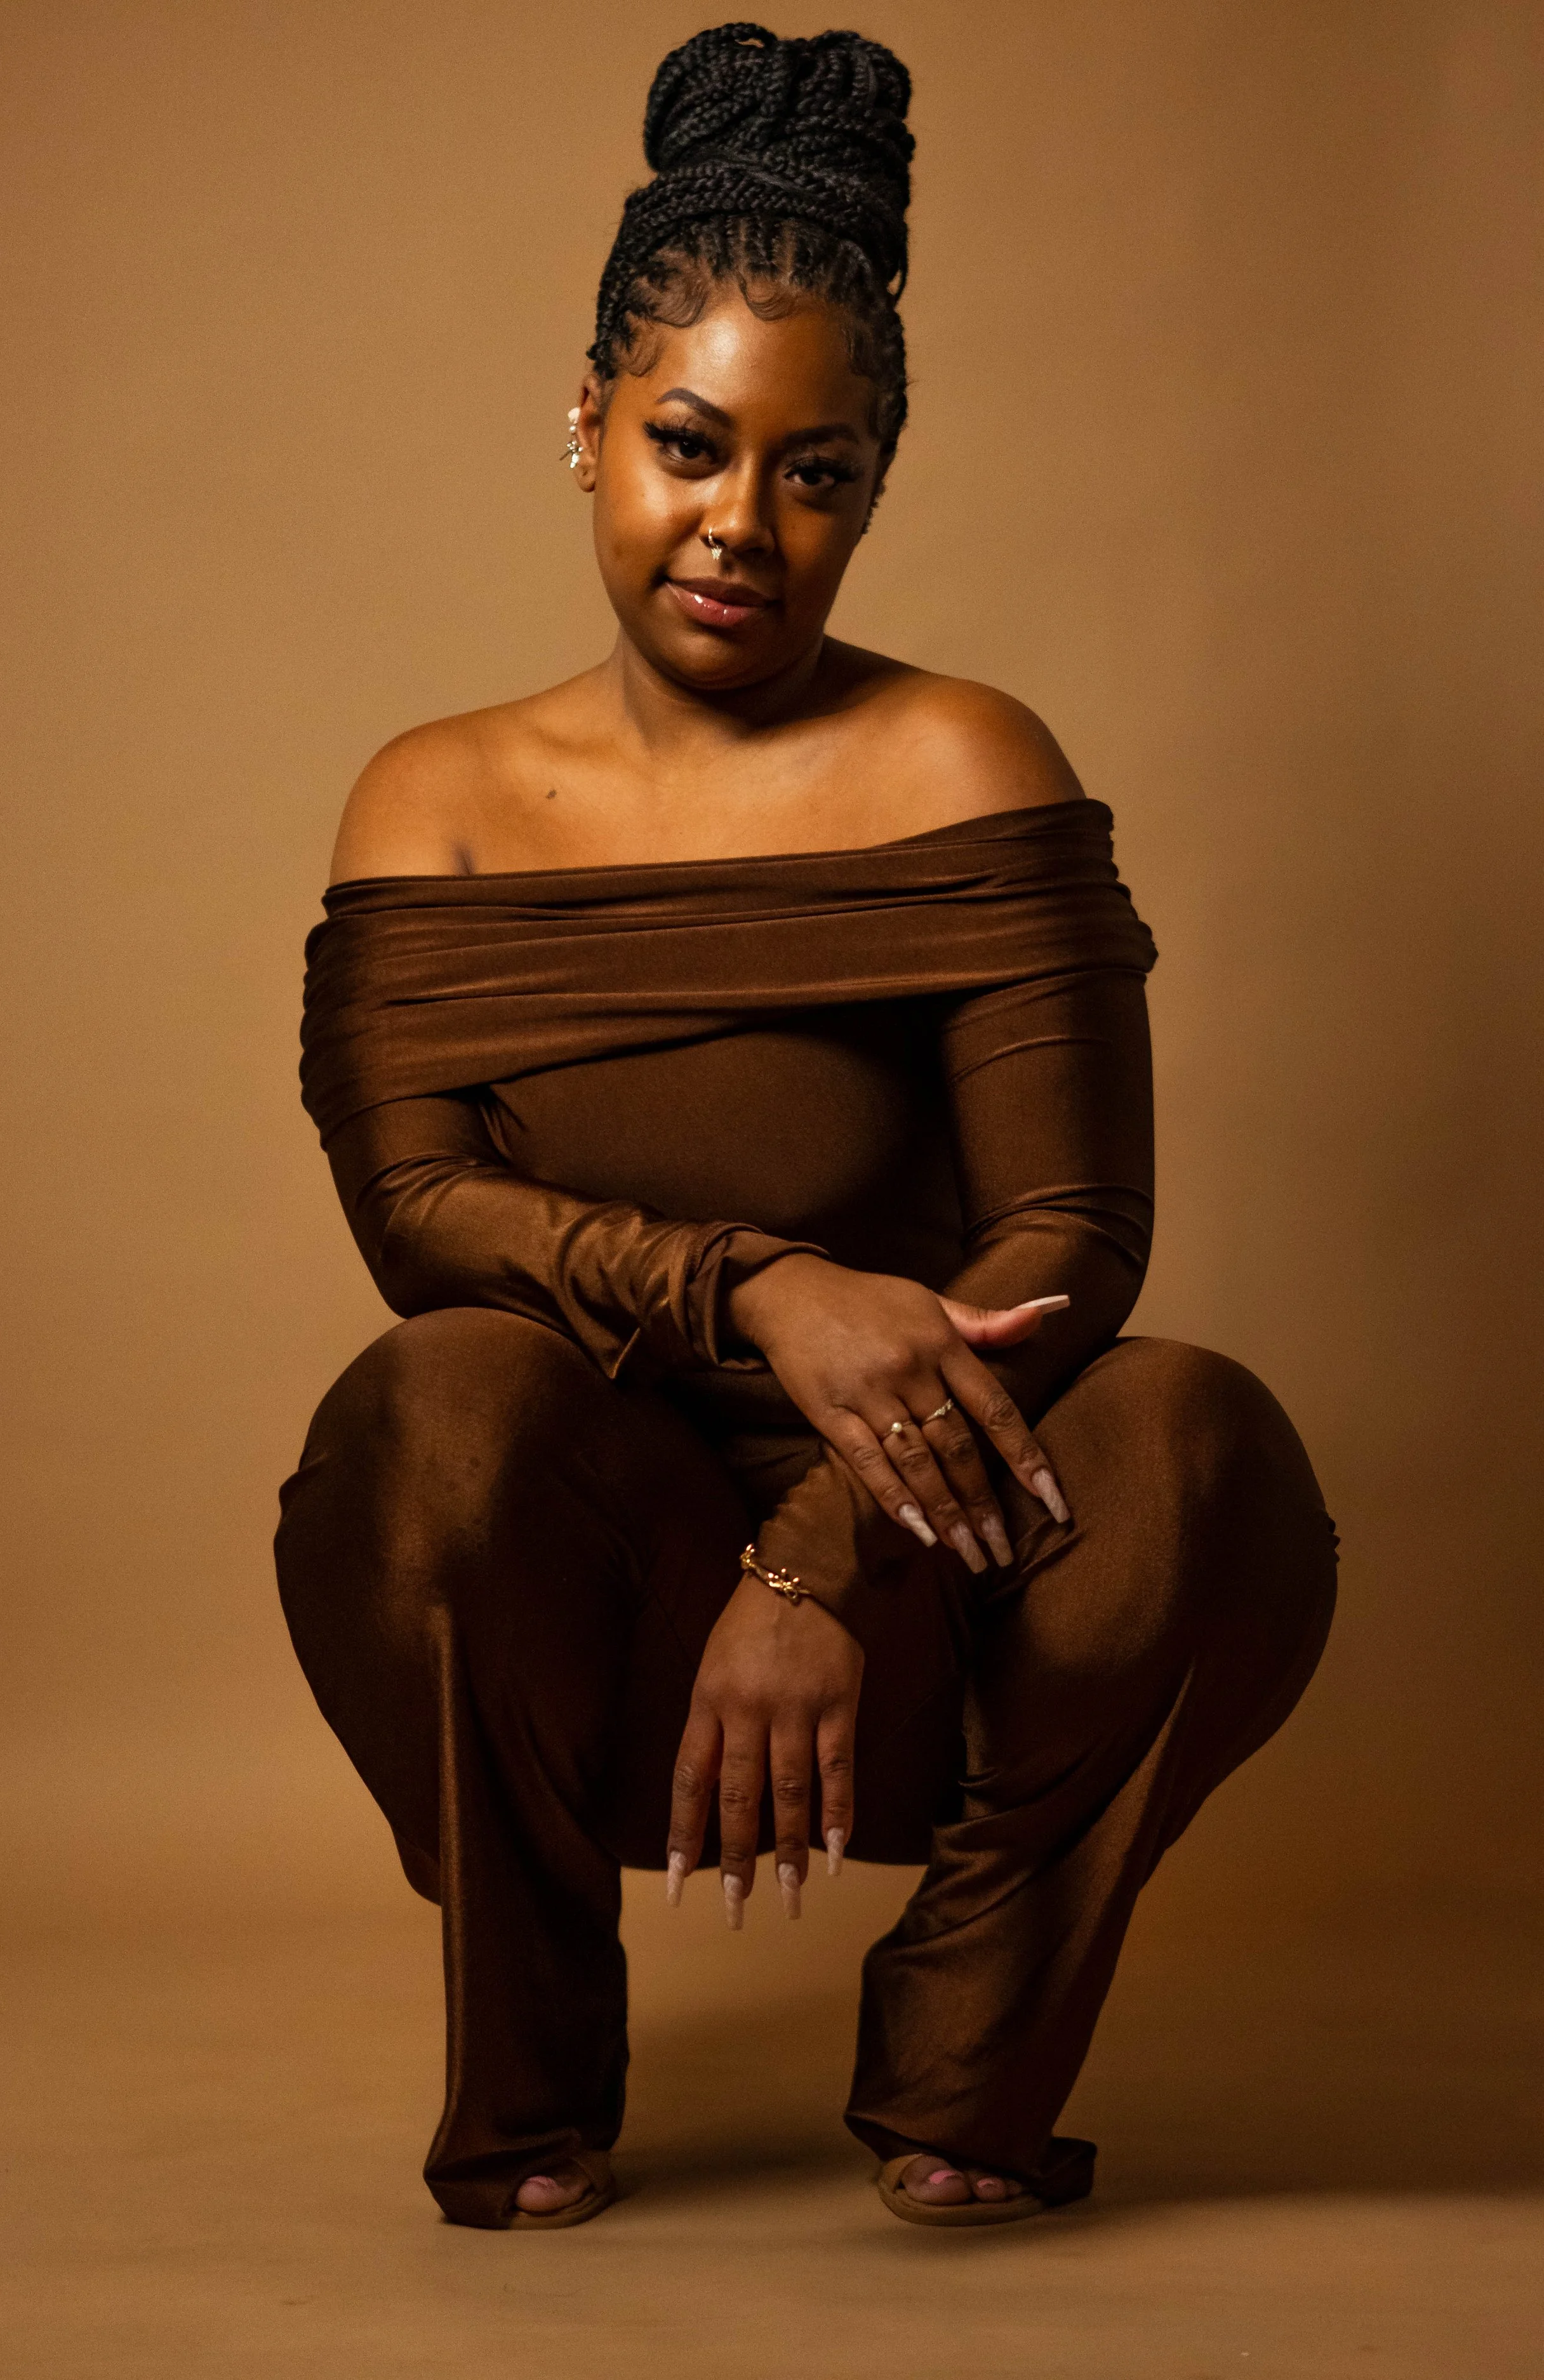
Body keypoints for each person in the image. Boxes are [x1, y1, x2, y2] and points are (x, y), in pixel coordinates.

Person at [275, 22, 1336, 2233]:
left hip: (945, 1532)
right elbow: (421, 1207)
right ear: (583, 425)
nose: (741, 528)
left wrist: (825, 1547)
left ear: (875, 481)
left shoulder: (968, 763)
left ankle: (969, 2067)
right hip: (594, 1539)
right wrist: (767, 1288)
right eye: (686, 445)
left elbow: (1069, 1222)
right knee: (425, 1409)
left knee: (1201, 1445)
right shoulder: (434, 799)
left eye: (816, 471)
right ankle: (536, 2078)